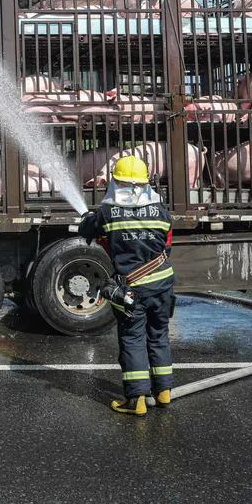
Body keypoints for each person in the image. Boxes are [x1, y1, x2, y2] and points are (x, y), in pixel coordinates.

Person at [78, 155, 175, 416]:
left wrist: (90, 218)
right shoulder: (161, 210)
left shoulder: (109, 212)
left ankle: (136, 400)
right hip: (163, 283)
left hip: (132, 288)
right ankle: (164, 391)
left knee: (132, 339)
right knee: (158, 335)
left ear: (117, 182)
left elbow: (86, 229)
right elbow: (166, 243)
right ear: (145, 183)